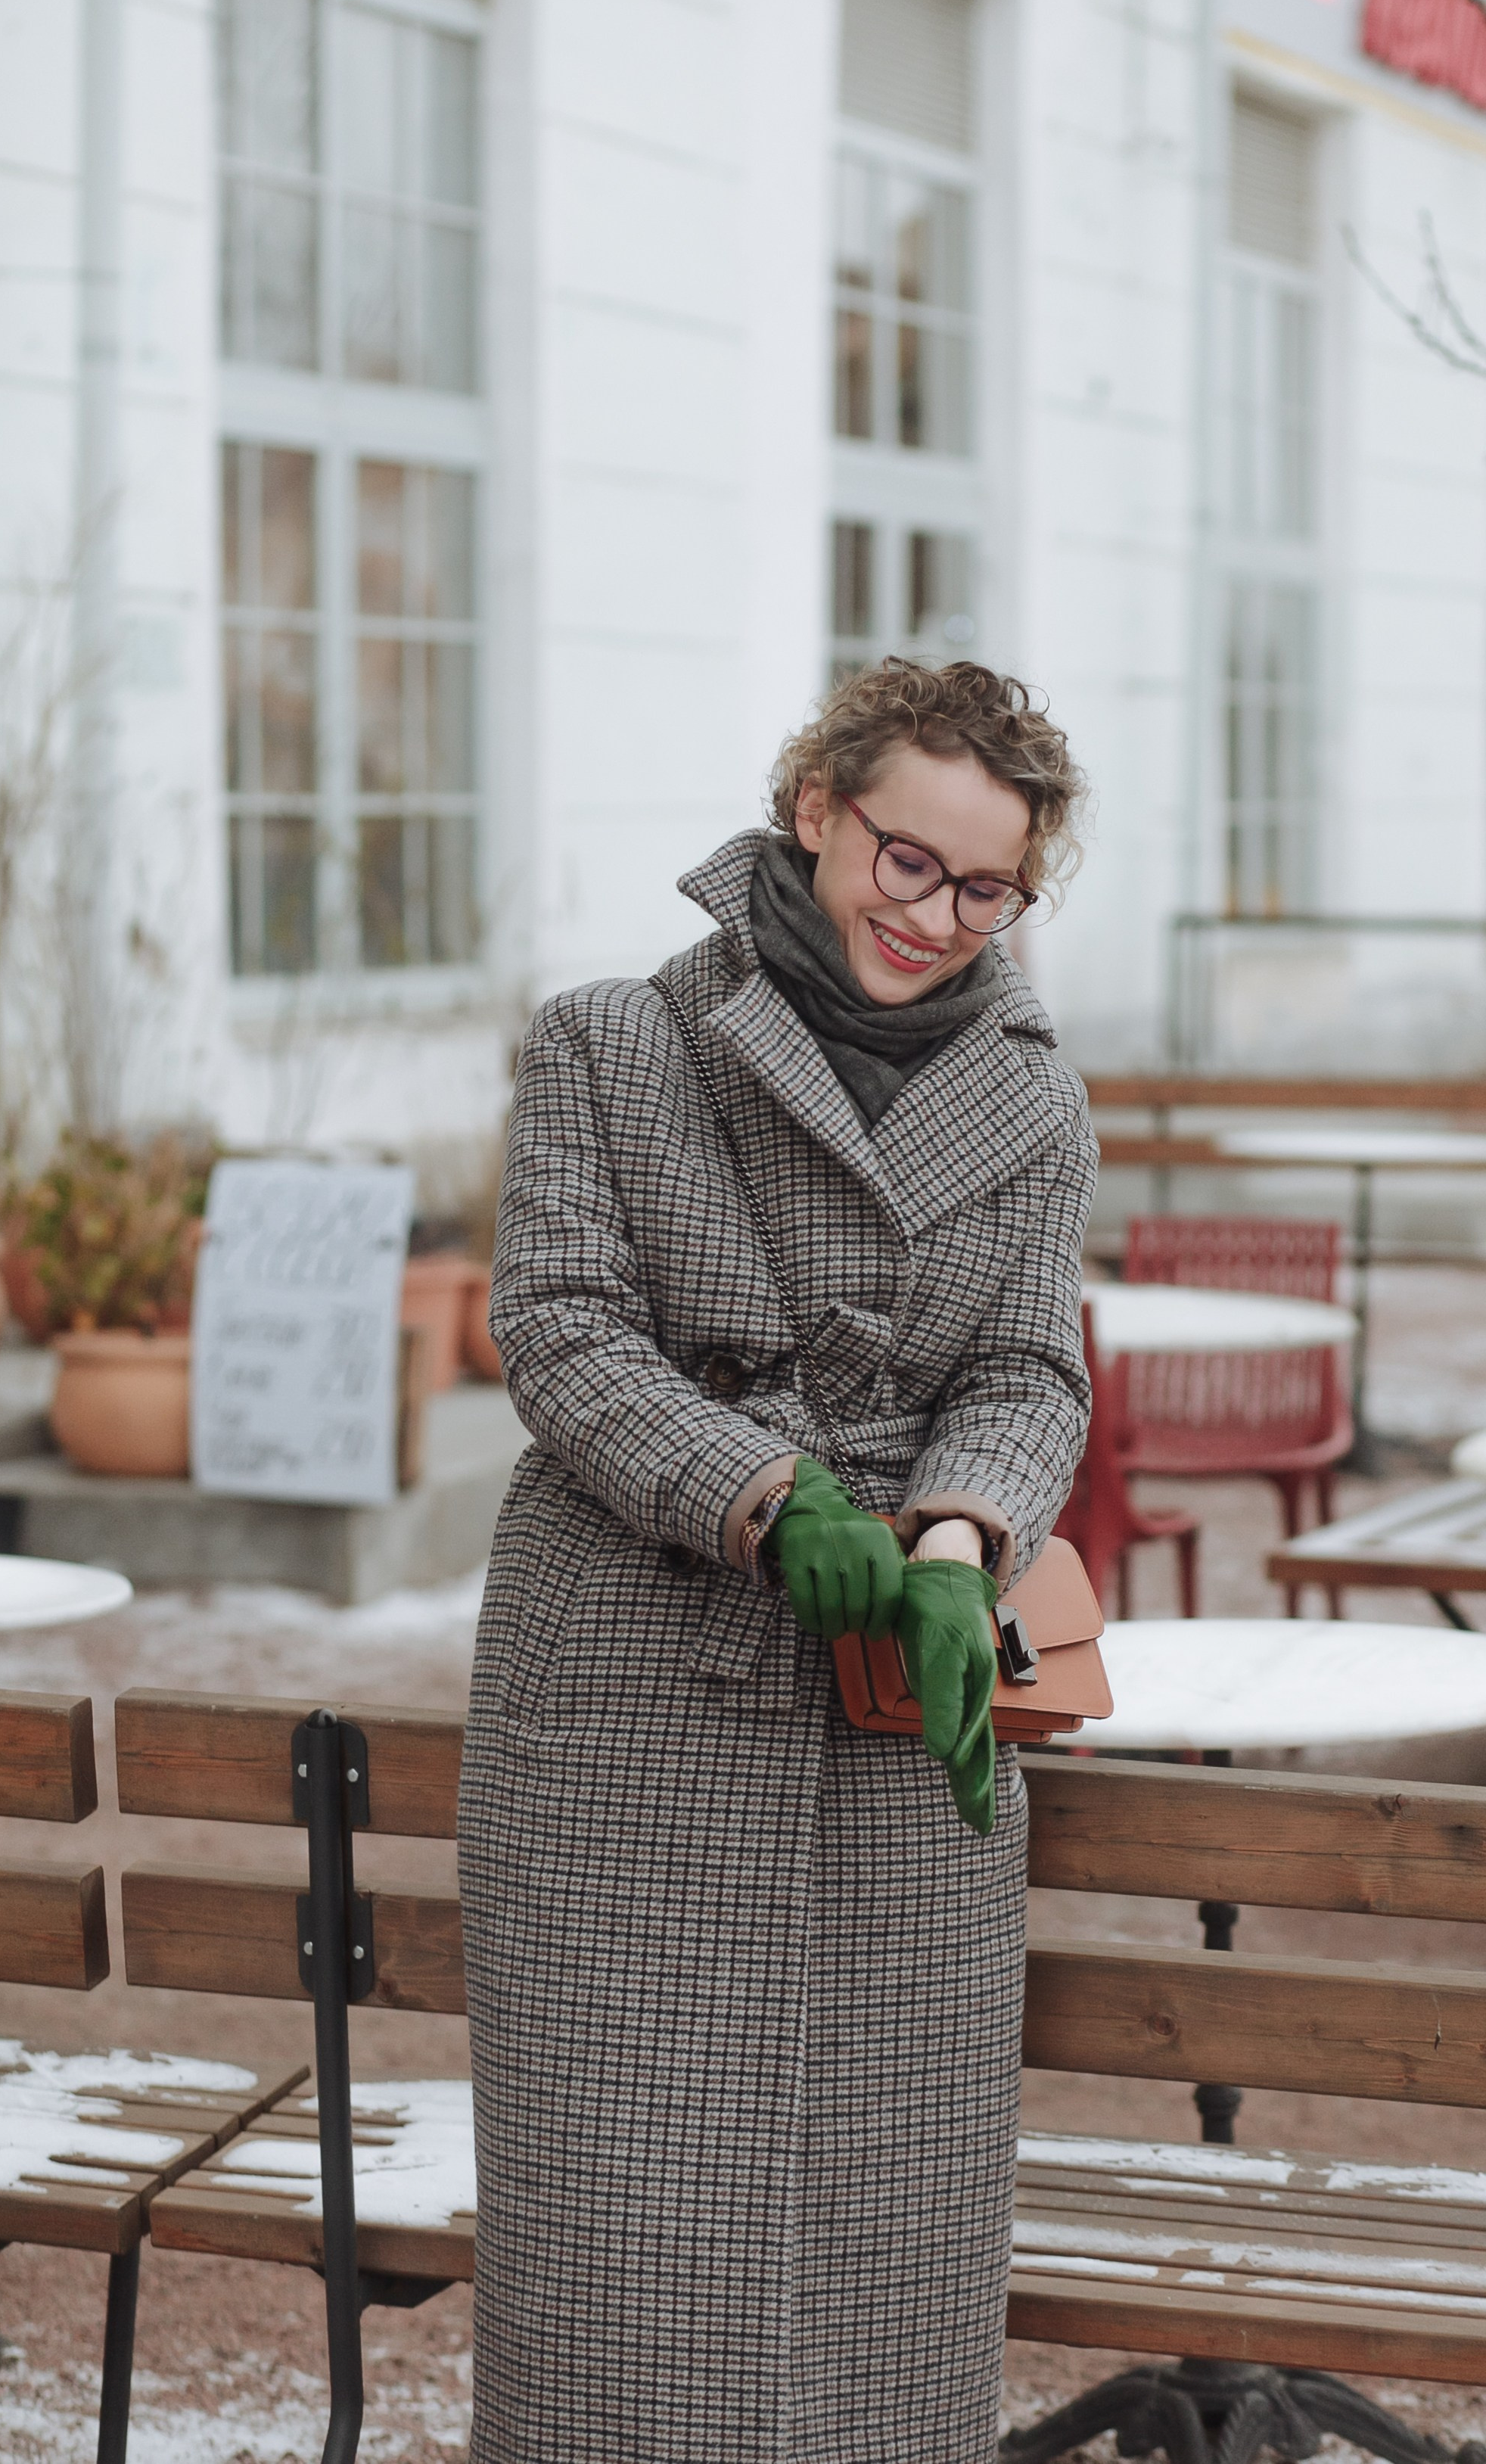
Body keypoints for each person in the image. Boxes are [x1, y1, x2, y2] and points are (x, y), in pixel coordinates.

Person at [459, 656, 1096, 2464]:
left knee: (887, 2223)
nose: (939, 919)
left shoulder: (1034, 1100)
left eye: (989, 889)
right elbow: (563, 1330)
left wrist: (962, 1540)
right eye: (911, 861)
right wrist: (762, 1490)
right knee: (626, 2232)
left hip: (902, 1710)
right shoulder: (613, 1041)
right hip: (631, 1694)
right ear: (818, 807)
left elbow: (1030, 1363)